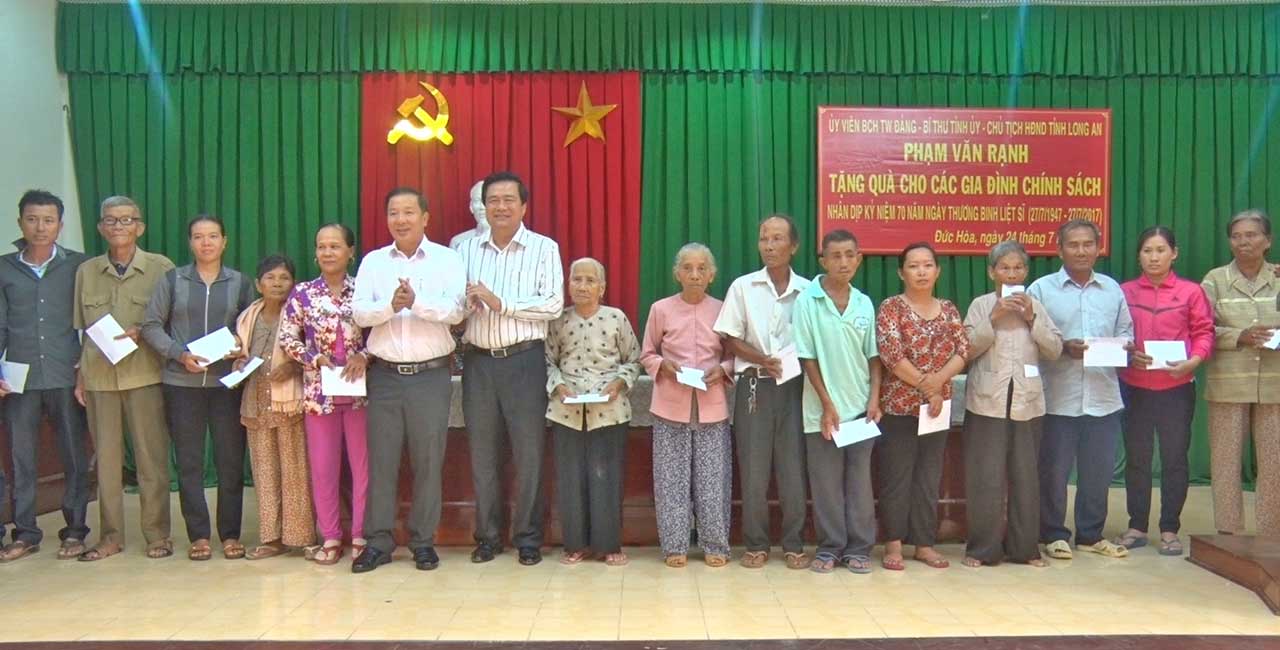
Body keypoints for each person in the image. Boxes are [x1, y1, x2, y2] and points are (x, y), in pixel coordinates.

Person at [351, 187, 466, 573]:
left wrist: (416, 303)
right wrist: (390, 306)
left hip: (430, 377)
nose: (400, 220)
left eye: (408, 212)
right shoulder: (373, 262)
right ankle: (378, 542)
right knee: (381, 461)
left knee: (428, 460)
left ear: (425, 217)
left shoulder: (447, 260)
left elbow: (456, 311)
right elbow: (360, 314)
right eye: (393, 213)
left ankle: (423, 541)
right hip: (384, 376)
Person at [457, 171, 564, 567]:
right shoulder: (464, 250)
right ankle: (487, 537)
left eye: (508, 200)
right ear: (484, 207)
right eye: (493, 200)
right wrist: (464, 306)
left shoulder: (544, 248)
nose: (500, 207)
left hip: (524, 360)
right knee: (482, 454)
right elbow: (453, 305)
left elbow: (553, 304)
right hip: (478, 362)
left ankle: (529, 538)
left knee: (529, 453)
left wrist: (501, 302)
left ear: (523, 206)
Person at [141, 214, 253, 561]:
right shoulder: (172, 280)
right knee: (189, 462)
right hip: (181, 384)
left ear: (224, 241)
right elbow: (150, 326)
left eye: (213, 236)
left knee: (230, 461)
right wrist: (179, 354)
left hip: (225, 386)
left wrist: (240, 346)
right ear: (190, 242)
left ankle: (230, 535)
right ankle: (199, 536)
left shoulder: (240, 282)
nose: (206, 243)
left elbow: (250, 326)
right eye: (199, 237)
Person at [73, 195, 176, 561]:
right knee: (107, 463)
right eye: (111, 220)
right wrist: (80, 376)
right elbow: (82, 331)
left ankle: (157, 535)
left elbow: (175, 322)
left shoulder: (161, 268)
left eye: (126, 220)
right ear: (101, 228)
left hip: (145, 375)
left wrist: (143, 331)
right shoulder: (86, 272)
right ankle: (111, 536)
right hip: (99, 379)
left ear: (140, 227)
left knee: (152, 460)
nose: (119, 226)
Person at [1028, 219, 1134, 560]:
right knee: (1054, 472)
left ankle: (1090, 535)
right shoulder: (1041, 290)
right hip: (1057, 397)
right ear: (1059, 250)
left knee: (1097, 473)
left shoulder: (1112, 290)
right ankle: (1053, 534)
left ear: (1098, 248)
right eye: (1073, 244)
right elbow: (1030, 341)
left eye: (1088, 244)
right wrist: (1062, 348)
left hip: (1103, 397)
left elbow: (1126, 332)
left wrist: (1125, 347)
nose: (1081, 251)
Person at [714, 214, 810, 570]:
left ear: (793, 246)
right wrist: (762, 359)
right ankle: (755, 544)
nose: (769, 246)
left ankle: (794, 544)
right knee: (753, 469)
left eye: (777, 238)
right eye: (764, 239)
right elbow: (729, 337)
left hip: (796, 387)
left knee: (793, 467)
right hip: (755, 384)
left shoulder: (809, 291)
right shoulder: (743, 287)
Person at [0, 189, 91, 562]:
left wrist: (86, 368)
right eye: (33, 219)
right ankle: (25, 533)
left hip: (66, 373)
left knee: (74, 456)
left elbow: (91, 322)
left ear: (60, 225)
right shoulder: (4, 268)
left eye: (48, 220)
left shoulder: (79, 266)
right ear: (20, 222)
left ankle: (75, 530)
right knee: (21, 458)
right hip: (18, 379)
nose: (40, 227)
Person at [1113, 226, 1214, 556]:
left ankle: (1170, 528)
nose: (1154, 257)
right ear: (1138, 256)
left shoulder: (1191, 292)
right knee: (1137, 459)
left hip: (1177, 389)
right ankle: (1137, 526)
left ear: (1174, 253)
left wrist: (1194, 361)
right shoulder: (1124, 292)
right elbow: (1116, 334)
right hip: (1135, 388)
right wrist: (1128, 354)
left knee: (1174, 460)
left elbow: (1204, 332)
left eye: (1160, 250)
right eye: (1147, 251)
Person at [962, 240, 1062, 568]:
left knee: (1026, 477)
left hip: (1027, 403)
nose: (1011, 274)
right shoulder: (981, 305)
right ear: (992, 272)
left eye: (1018, 268)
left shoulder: (1036, 306)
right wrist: (993, 318)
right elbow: (966, 349)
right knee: (986, 477)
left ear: (1026, 272)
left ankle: (1025, 549)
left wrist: (1032, 318)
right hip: (986, 402)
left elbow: (1055, 349)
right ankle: (982, 549)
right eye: (1004, 268)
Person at [279, 223, 370, 566]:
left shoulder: (363, 290)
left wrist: (365, 356)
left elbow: (381, 334)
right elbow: (287, 337)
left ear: (350, 252)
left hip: (361, 394)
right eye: (322, 247)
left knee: (363, 468)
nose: (327, 252)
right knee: (323, 468)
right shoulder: (303, 293)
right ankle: (331, 536)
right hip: (319, 395)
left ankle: (361, 534)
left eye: (335, 246)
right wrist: (313, 357)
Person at [874, 242, 969, 571]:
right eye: (913, 266)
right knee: (896, 477)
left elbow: (963, 350)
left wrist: (937, 383)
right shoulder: (891, 308)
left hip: (936, 408)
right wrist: (927, 386)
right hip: (899, 407)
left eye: (928, 265)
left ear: (937, 271)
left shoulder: (949, 309)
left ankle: (924, 544)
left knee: (929, 477)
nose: (921, 271)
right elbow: (891, 354)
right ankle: (894, 544)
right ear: (902, 272)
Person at [791, 229, 881, 574]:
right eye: (836, 256)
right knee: (826, 485)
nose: (843, 262)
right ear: (823, 261)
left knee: (860, 484)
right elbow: (807, 357)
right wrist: (828, 405)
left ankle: (858, 549)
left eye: (849, 255)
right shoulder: (807, 301)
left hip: (861, 411)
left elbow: (873, 356)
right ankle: (829, 548)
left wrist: (874, 398)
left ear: (859, 259)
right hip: (822, 412)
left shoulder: (864, 302)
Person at [640, 243, 735, 568]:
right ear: (677, 274)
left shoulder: (723, 310)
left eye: (701, 269)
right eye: (688, 268)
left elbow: (734, 356)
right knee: (671, 480)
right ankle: (674, 546)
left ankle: (716, 545)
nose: (695, 275)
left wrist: (723, 370)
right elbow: (647, 353)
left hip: (712, 406)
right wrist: (662, 366)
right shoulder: (660, 309)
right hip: (670, 406)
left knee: (713, 481)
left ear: (712, 275)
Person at [545, 258, 641, 567]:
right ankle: (575, 544)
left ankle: (608, 545)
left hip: (609, 411)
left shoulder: (616, 318)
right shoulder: (558, 321)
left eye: (590, 280)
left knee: (606, 478)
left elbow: (634, 359)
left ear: (602, 287)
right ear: (568, 284)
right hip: (567, 412)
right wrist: (559, 386)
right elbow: (547, 361)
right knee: (570, 479)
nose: (583, 286)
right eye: (577, 279)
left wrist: (618, 383)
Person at [1202, 209, 1280, 536]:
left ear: (1267, 241)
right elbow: (1201, 328)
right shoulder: (1214, 279)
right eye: (1236, 236)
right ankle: (1229, 535)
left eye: (1251, 235)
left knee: (1274, 464)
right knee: (1225, 463)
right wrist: (1239, 336)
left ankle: (1271, 535)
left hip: (1275, 387)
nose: (1243, 242)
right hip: (1227, 385)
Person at [234, 254, 313, 560]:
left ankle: (301, 536)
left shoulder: (301, 315)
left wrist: (293, 367)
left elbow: (314, 353)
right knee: (265, 473)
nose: (277, 283)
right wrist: (238, 364)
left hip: (290, 403)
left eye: (284, 278)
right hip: (255, 403)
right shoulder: (247, 317)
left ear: (294, 283)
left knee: (294, 471)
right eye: (270, 277)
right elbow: (241, 354)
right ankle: (271, 538)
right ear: (258, 284)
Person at [449, 180, 489, 250]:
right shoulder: (458, 243)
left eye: (487, 201)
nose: (482, 207)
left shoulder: (509, 241)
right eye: (477, 201)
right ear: (471, 207)